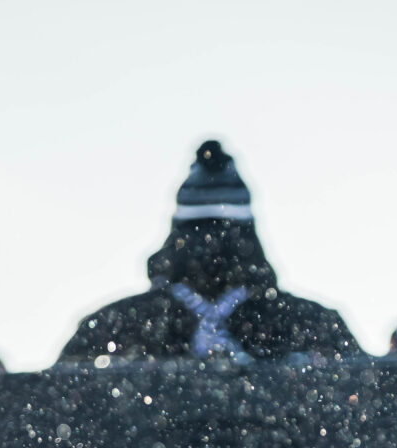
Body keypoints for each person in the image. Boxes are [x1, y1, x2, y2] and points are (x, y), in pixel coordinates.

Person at [59, 141, 363, 364]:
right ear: (250, 235)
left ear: (175, 234)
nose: (211, 244)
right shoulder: (310, 324)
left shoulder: (117, 325)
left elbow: (51, 404)